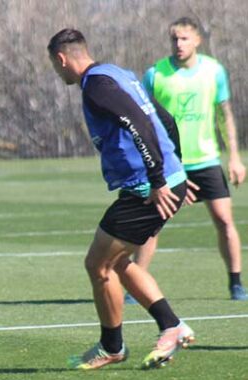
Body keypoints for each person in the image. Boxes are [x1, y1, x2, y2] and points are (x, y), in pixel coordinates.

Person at [47, 29, 195, 370]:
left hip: (149, 187)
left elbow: (140, 123)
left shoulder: (97, 87)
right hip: (163, 180)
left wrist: (161, 180)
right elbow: (165, 119)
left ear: (62, 59)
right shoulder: (119, 74)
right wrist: (177, 172)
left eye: (56, 68)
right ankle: (171, 324)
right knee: (117, 262)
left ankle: (114, 345)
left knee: (98, 264)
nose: (59, 73)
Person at [135, 16, 247, 301]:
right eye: (174, 38)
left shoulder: (213, 71)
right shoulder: (155, 75)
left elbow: (224, 115)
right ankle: (136, 285)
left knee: (224, 220)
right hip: (171, 163)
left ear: (197, 40)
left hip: (206, 160)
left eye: (184, 38)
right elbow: (143, 121)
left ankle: (236, 283)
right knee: (153, 222)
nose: (178, 44)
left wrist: (234, 157)